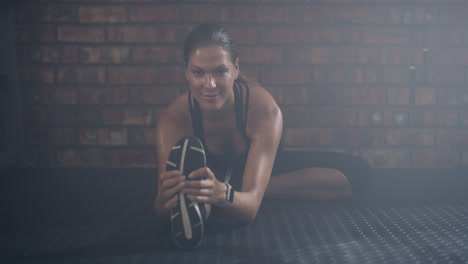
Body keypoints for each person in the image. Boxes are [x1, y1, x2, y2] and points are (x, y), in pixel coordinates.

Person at [153, 24, 370, 248]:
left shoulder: (263, 110)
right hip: (205, 174)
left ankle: (223, 189)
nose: (210, 84)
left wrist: (226, 194)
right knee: (202, 196)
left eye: (220, 71)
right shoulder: (173, 120)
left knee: (358, 174)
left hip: (259, 169)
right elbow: (162, 209)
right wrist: (164, 203)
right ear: (186, 72)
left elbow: (249, 211)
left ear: (235, 69)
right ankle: (209, 195)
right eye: (199, 73)